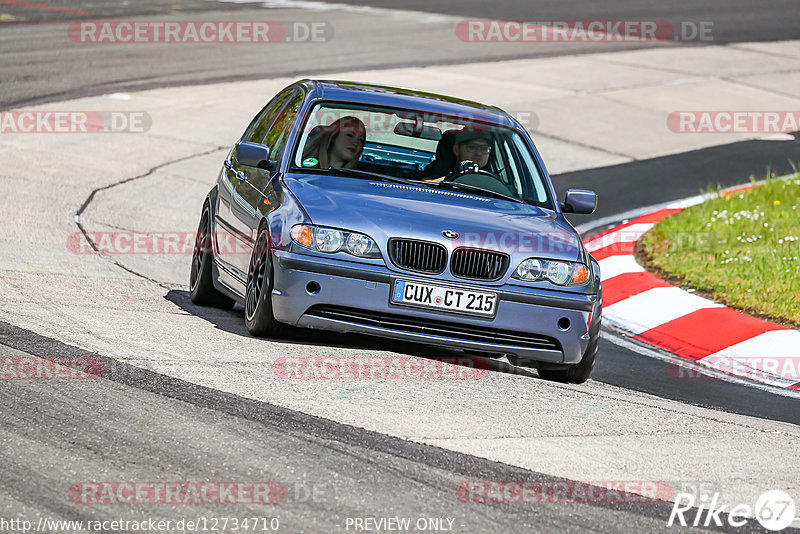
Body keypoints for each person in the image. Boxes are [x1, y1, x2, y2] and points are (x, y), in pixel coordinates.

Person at [422, 128, 493, 181]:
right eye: (472, 147)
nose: (479, 153)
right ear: (456, 149)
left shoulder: (494, 178)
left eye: (484, 148)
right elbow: (424, 186)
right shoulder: (438, 170)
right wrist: (455, 176)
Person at [301, 116, 366, 169]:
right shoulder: (299, 165)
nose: (356, 143)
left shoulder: (359, 178)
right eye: (350, 135)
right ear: (333, 137)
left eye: (361, 139)